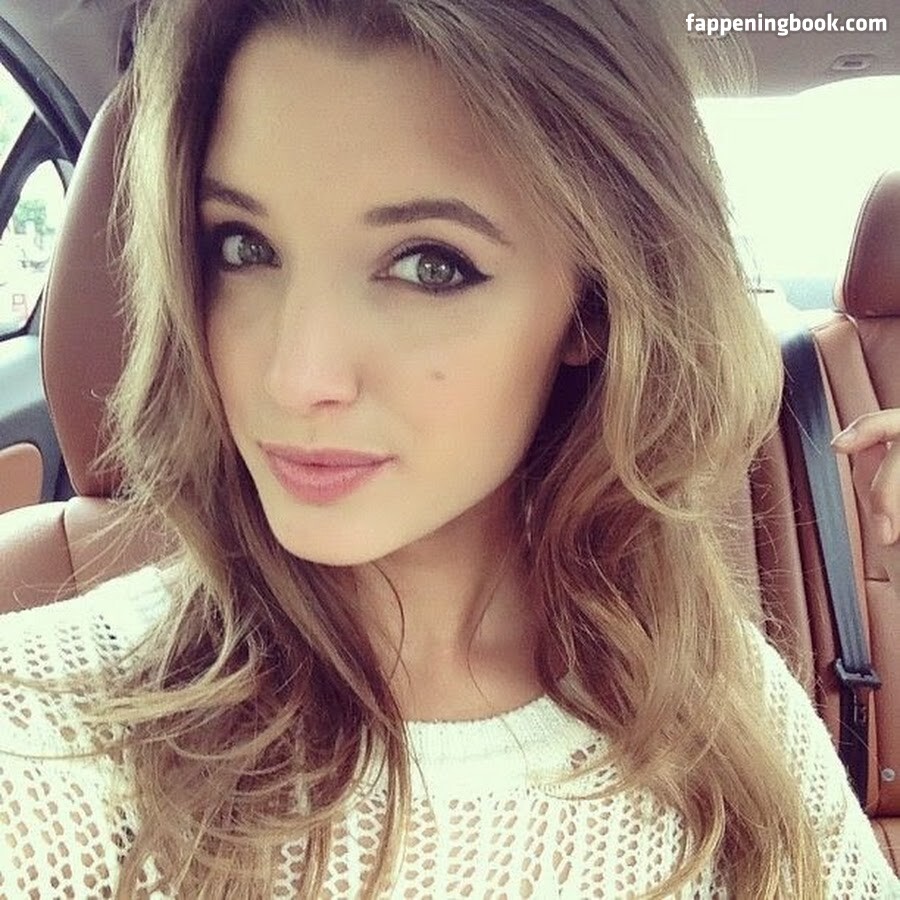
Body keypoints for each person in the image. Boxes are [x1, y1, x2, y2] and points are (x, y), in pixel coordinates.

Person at [0, 0, 898, 896]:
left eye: (429, 265)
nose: (296, 376)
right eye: (243, 247)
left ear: (594, 306)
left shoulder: (731, 713)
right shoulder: (39, 743)